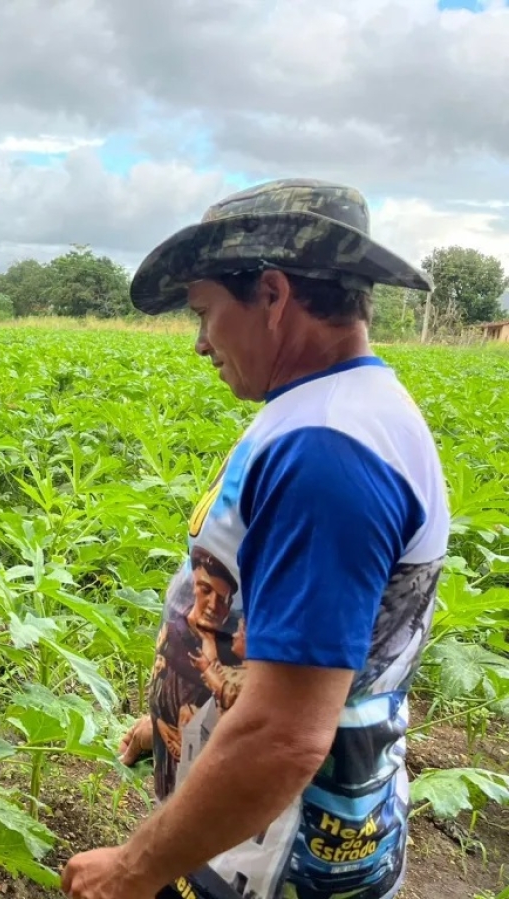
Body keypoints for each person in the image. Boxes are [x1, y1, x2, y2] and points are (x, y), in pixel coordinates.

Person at [60, 179, 450, 899]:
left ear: (272, 294)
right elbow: (289, 650)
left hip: (276, 858)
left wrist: (132, 868)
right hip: (265, 831)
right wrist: (180, 714)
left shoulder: (328, 452)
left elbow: (283, 734)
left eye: (205, 312)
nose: (201, 342)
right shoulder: (326, 411)